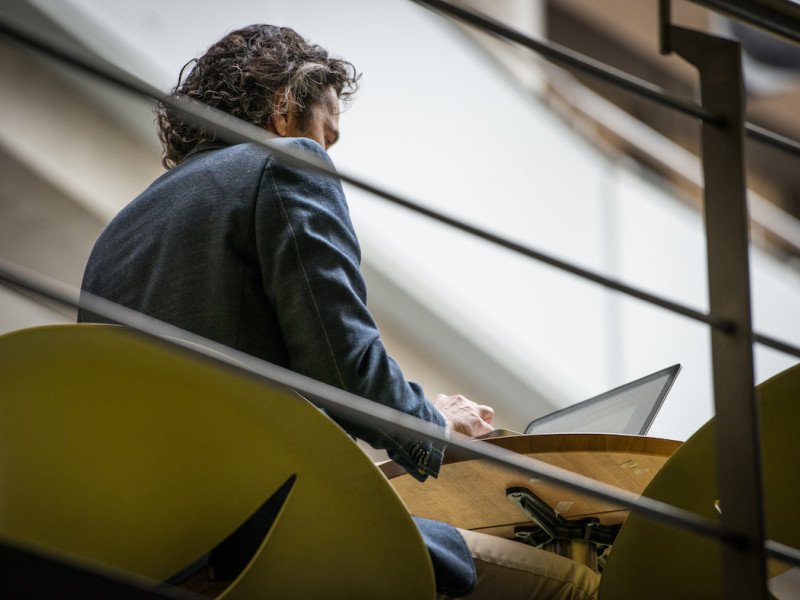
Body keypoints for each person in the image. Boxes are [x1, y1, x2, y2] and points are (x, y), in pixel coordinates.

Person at [79, 24, 599, 599]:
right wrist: (433, 421)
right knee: (569, 581)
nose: (325, 157)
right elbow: (341, 362)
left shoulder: (115, 237)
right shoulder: (283, 164)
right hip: (266, 533)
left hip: (143, 551)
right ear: (283, 109)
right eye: (326, 136)